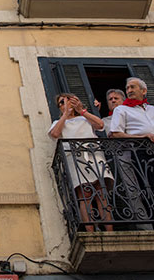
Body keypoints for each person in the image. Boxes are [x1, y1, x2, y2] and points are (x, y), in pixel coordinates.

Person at [110, 77, 154, 229]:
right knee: (150, 187)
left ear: (144, 91)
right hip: (141, 150)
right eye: (127, 88)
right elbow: (115, 133)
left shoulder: (153, 109)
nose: (129, 90)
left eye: (133, 87)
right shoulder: (121, 109)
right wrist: (141, 137)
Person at [48, 94, 113, 232]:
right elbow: (54, 134)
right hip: (76, 159)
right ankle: (90, 231)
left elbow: (100, 125)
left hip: (94, 155)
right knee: (84, 195)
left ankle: (109, 231)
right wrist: (65, 115)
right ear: (59, 107)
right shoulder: (59, 122)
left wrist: (82, 110)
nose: (66, 104)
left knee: (102, 193)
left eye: (70, 101)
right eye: (62, 102)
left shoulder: (85, 118)